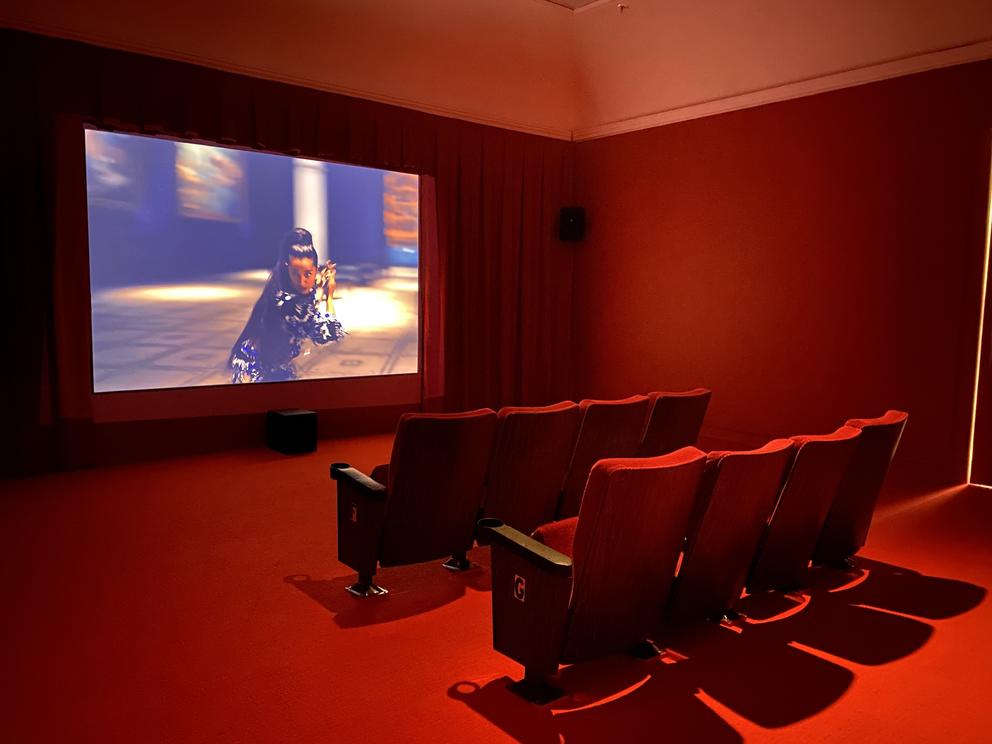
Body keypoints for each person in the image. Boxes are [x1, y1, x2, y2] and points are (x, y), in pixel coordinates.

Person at [229, 227, 344, 383]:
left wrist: (319, 283)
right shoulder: (287, 305)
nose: (302, 281)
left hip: (273, 365)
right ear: (287, 269)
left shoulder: (283, 286)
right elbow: (329, 333)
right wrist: (329, 295)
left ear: (316, 270)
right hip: (255, 366)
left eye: (308, 274)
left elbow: (307, 289)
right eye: (295, 274)